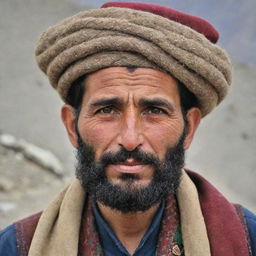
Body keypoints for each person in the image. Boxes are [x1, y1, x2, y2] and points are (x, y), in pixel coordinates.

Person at [0, 2, 255, 255]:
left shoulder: (245, 241)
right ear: (72, 126)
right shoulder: (17, 247)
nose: (130, 139)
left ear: (189, 128)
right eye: (107, 110)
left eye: (154, 111)